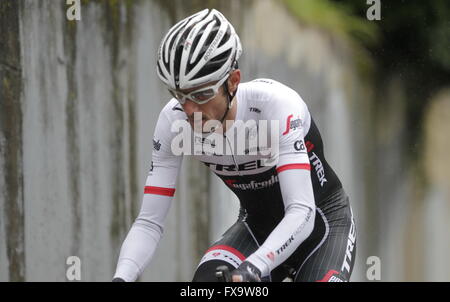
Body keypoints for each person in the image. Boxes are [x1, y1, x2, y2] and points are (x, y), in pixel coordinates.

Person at [112, 8, 356, 282]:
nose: (191, 110)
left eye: (202, 93)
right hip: (256, 228)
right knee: (208, 284)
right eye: (180, 96)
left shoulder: (275, 107)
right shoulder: (173, 121)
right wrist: (122, 277)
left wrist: (255, 267)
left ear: (233, 81)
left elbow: (301, 212)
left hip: (321, 228)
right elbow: (149, 221)